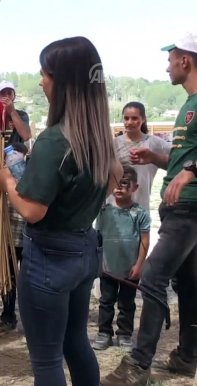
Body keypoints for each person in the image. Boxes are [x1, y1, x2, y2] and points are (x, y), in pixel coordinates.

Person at [0, 37, 122, 386]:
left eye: (45, 74)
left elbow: (32, 210)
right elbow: (114, 179)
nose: (41, 82)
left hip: (50, 256)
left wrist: (5, 181)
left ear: (63, 82)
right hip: (85, 248)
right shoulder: (98, 137)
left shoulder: (54, 140)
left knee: (46, 359)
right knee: (76, 341)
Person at [102, 30, 197, 386]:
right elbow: (182, 156)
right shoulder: (188, 106)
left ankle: (138, 365)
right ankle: (188, 356)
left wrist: (189, 172)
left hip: (188, 209)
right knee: (188, 285)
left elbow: (190, 164)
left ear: (184, 60)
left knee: (153, 278)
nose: (167, 65)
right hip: (182, 209)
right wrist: (157, 156)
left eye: (170, 59)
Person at [92, 166, 150, 353]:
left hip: (130, 268)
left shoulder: (139, 213)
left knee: (127, 303)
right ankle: (104, 332)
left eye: (124, 184)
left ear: (135, 187)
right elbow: (97, 235)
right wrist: (98, 259)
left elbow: (144, 240)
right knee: (106, 301)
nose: (119, 188)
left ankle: (124, 333)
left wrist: (139, 264)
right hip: (108, 266)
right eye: (116, 183)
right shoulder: (104, 211)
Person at [110, 102, 171, 212]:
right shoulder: (112, 145)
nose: (129, 122)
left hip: (140, 207)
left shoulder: (155, 143)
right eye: (126, 118)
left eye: (134, 118)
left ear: (143, 119)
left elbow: (176, 160)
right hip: (112, 207)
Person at [0, 143, 27, 333]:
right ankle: (7, 316)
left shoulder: (30, 177)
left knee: (29, 281)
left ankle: (31, 319)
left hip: (28, 239)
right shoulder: (1, 179)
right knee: (8, 279)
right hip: (8, 238)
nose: (14, 163)